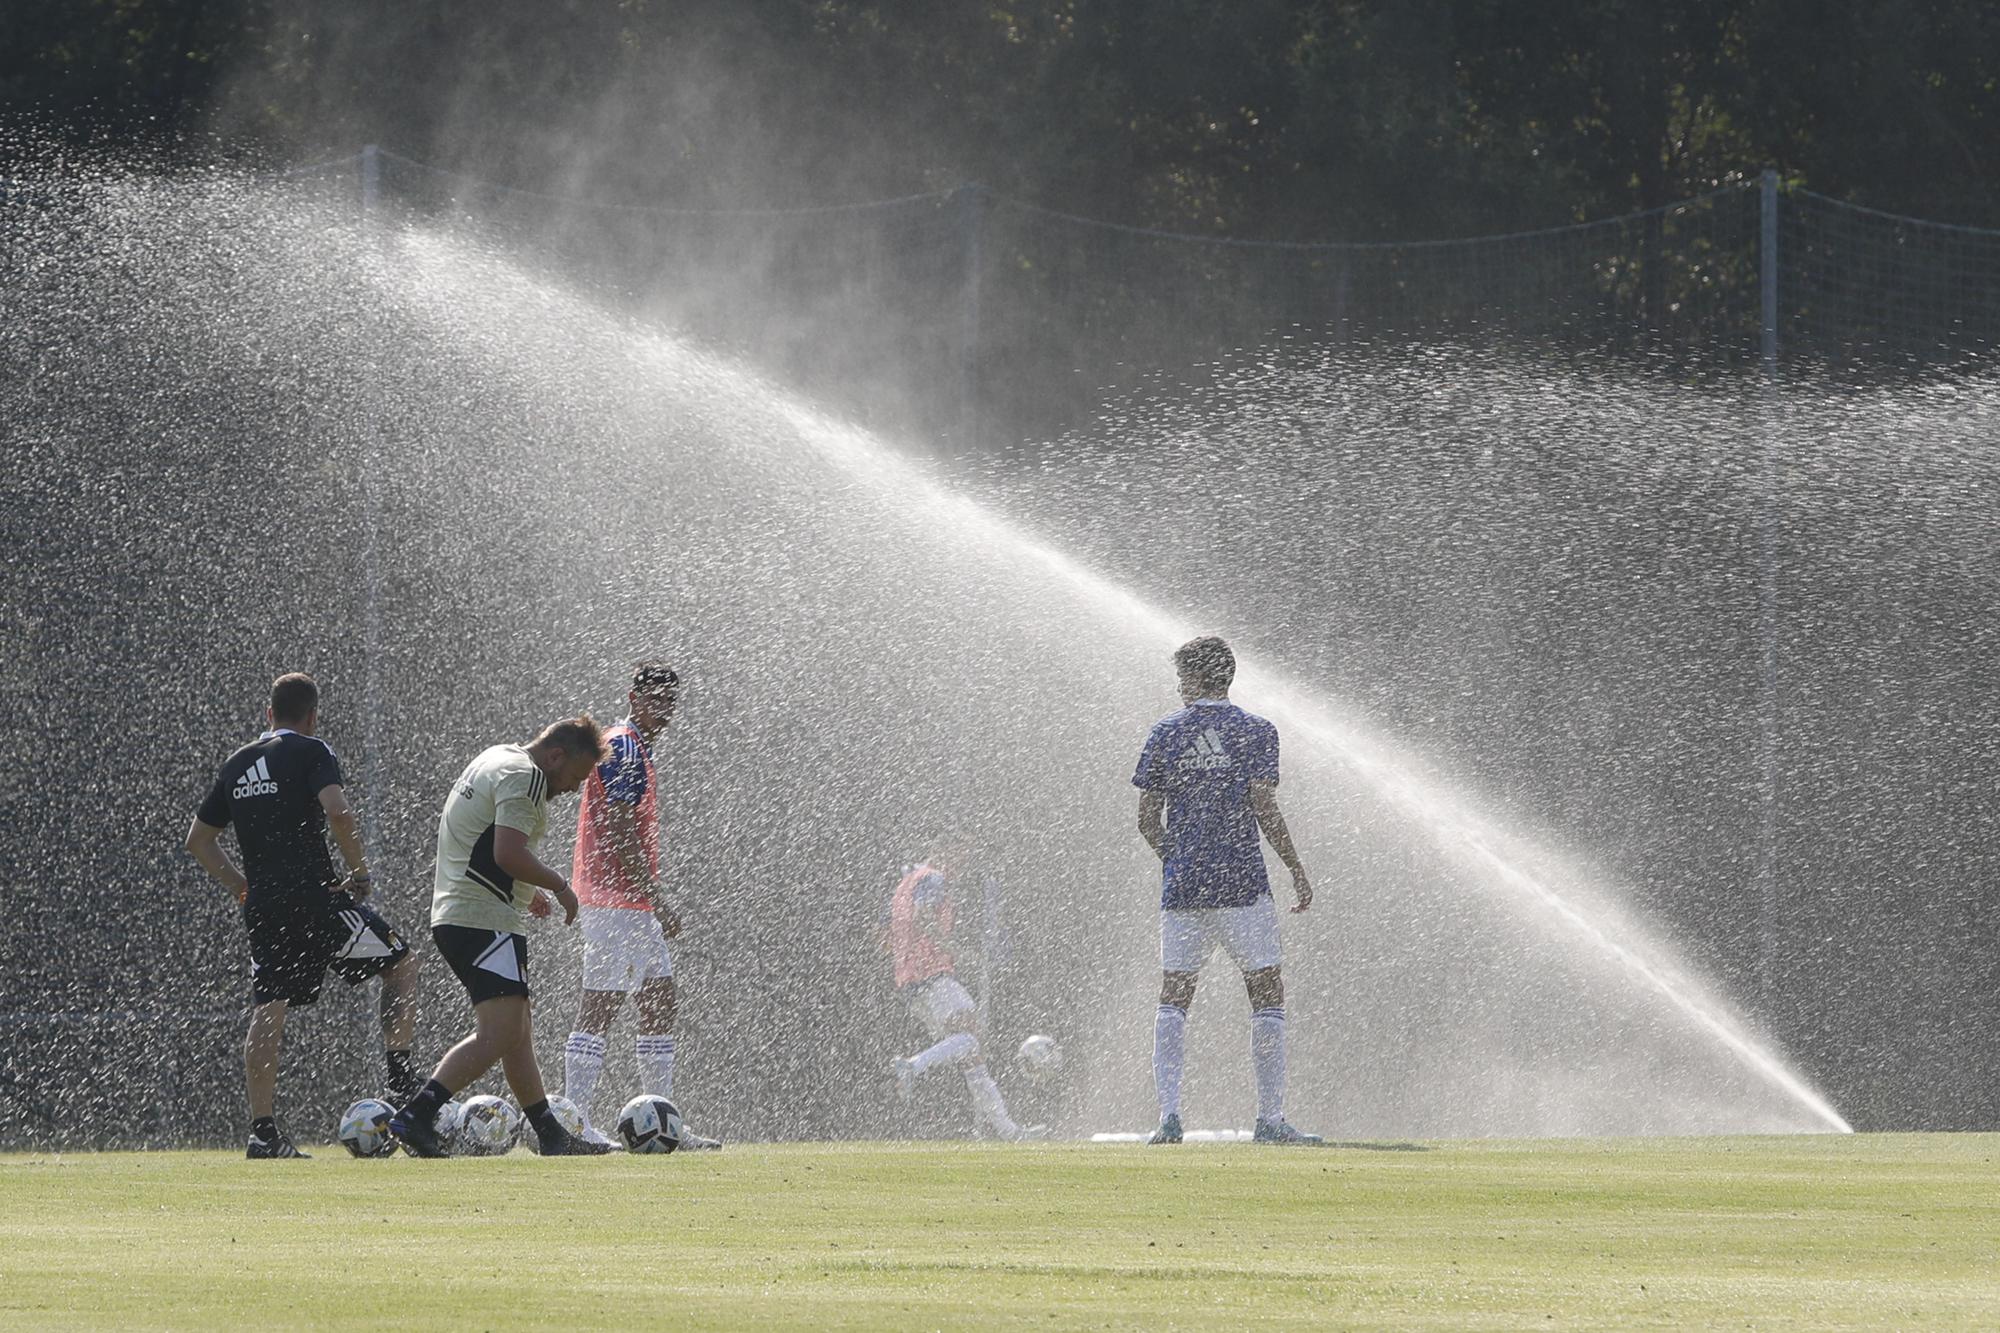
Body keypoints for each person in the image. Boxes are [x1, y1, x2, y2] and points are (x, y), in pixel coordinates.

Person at [185, 672, 421, 1159]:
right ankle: (401, 1086)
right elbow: (338, 812)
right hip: (318, 900)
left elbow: (198, 841)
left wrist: (241, 888)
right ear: (312, 716)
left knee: (269, 1007)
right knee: (400, 963)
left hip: (266, 907)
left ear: (268, 714)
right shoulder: (314, 752)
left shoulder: (238, 763)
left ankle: (262, 1132)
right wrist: (359, 872)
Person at [388, 716, 613, 1157]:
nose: (573, 790)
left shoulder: (496, 757)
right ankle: (417, 1114)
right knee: (499, 1032)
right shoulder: (527, 776)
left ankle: (550, 1134)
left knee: (517, 1030)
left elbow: (478, 839)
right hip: (480, 916)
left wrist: (523, 891)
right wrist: (558, 886)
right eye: (575, 777)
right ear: (555, 756)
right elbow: (507, 852)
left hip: (464, 910)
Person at [1133, 636, 1319, 1146]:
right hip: (1243, 885)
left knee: (1174, 996)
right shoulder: (1257, 731)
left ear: (1195, 680)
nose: (1177, 687)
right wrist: (1296, 869)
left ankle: (1169, 1118)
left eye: (1181, 678)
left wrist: (1177, 861)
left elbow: (1147, 818)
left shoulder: (1165, 732)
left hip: (1184, 891)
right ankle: (1270, 1120)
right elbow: (1265, 809)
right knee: (1265, 992)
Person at [561, 661, 721, 1150]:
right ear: (633, 698)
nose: (664, 711)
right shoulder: (625, 747)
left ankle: (663, 1117)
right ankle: (574, 1119)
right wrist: (657, 900)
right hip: (614, 901)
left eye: (670, 702)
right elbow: (619, 828)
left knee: (659, 999)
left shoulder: (635, 747)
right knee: (602, 1004)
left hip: (625, 901)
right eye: (655, 701)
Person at [888, 846, 1045, 1142]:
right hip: (932, 975)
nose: (962, 862)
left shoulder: (905, 882)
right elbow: (924, 919)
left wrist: (904, 957)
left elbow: (883, 935)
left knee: (971, 1054)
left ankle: (1008, 1131)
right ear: (943, 847)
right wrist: (956, 952)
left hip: (909, 981)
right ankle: (912, 1066)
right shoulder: (934, 878)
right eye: (960, 852)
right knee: (971, 1037)